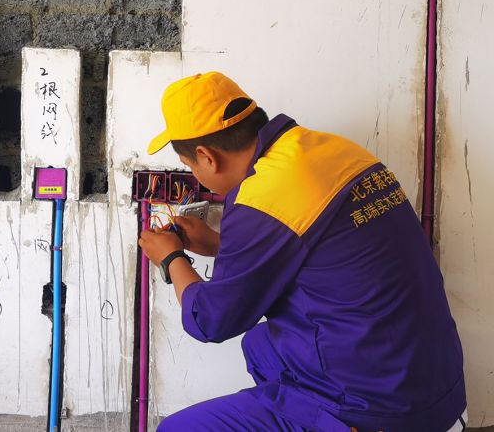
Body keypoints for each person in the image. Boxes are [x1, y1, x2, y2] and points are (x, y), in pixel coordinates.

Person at [138, 72, 466, 432]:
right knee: (262, 347)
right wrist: (218, 244)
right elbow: (314, 247)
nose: (196, 176)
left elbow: (210, 320)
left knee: (175, 429)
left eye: (190, 167)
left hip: (377, 407)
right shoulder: (331, 150)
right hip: (435, 381)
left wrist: (171, 258)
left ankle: (329, 418)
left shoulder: (261, 200)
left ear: (206, 156)